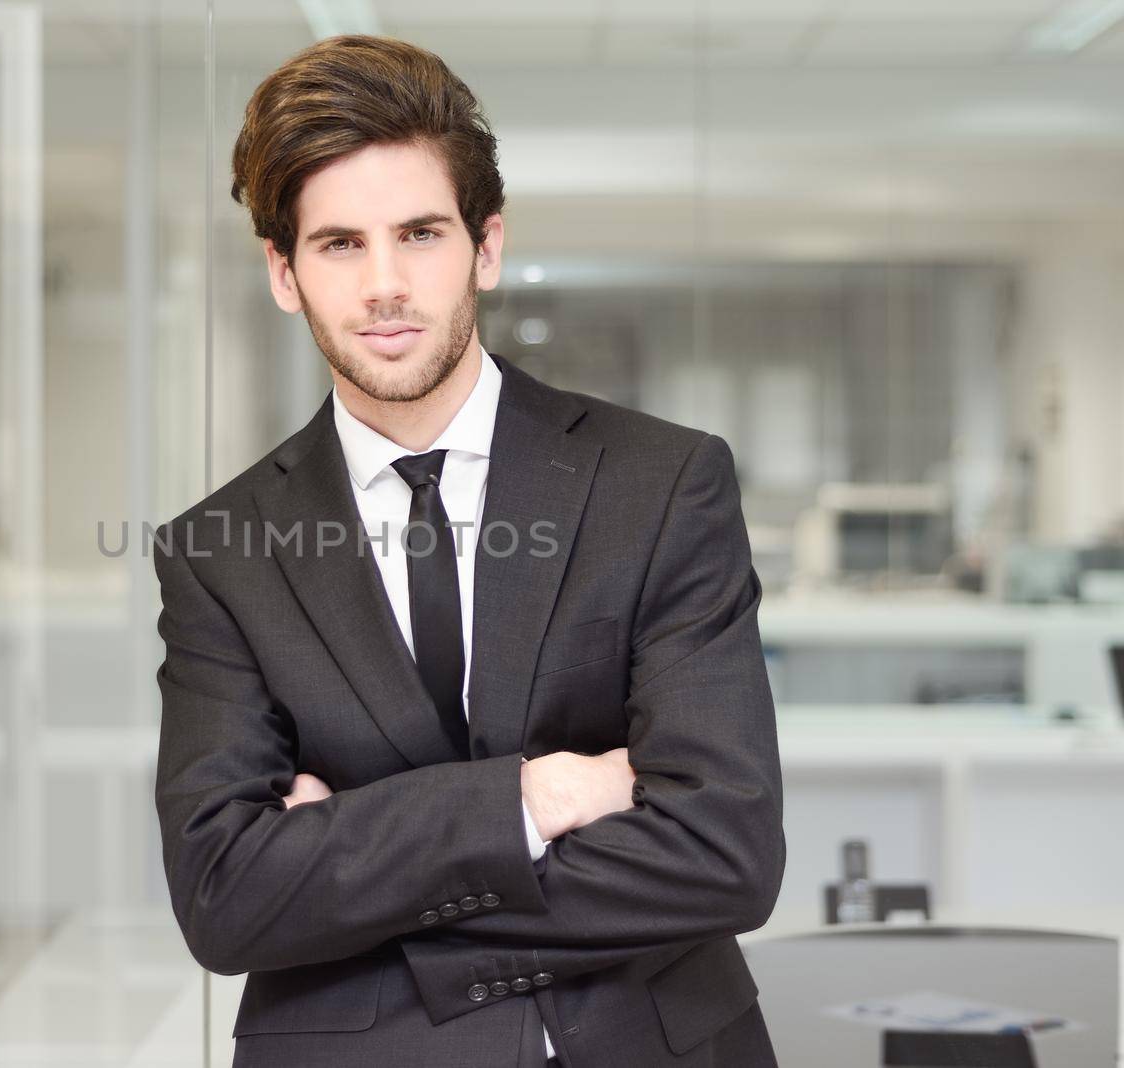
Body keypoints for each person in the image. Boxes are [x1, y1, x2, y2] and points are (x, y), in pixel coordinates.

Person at [151, 33, 785, 1067]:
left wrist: (348, 859)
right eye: (340, 244)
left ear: (485, 248)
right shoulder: (221, 552)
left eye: (420, 234)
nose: (386, 285)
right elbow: (226, 900)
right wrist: (540, 798)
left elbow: (727, 853)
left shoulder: (661, 485)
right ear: (284, 271)